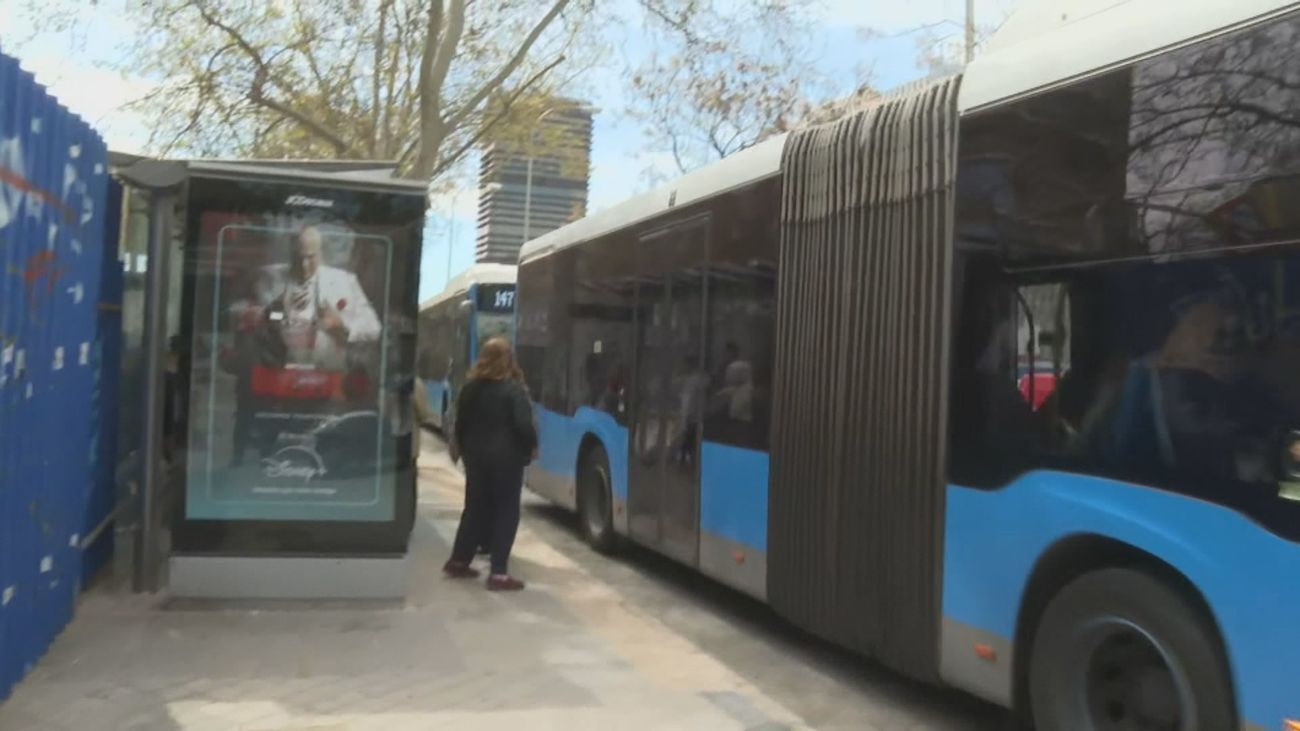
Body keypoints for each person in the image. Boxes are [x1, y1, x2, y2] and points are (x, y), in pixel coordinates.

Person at [443, 338, 538, 591]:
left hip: (475, 457)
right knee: (507, 510)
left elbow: (460, 423)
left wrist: (464, 450)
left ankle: (458, 560)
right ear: (508, 359)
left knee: (475, 507)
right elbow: (523, 425)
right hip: (507, 459)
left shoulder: (470, 388)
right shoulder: (513, 389)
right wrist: (530, 446)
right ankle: (498, 573)